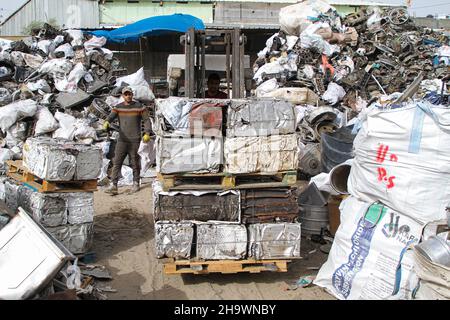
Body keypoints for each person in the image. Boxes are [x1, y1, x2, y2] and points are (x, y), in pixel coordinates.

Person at [103, 87, 152, 195]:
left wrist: (147, 133)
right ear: (122, 96)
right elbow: (111, 116)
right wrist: (106, 121)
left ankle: (136, 183)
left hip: (135, 140)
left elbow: (147, 120)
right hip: (122, 140)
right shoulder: (118, 107)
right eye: (126, 94)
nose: (128, 96)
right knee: (117, 162)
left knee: (134, 162)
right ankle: (114, 185)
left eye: (129, 94)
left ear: (132, 95)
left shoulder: (139, 107)